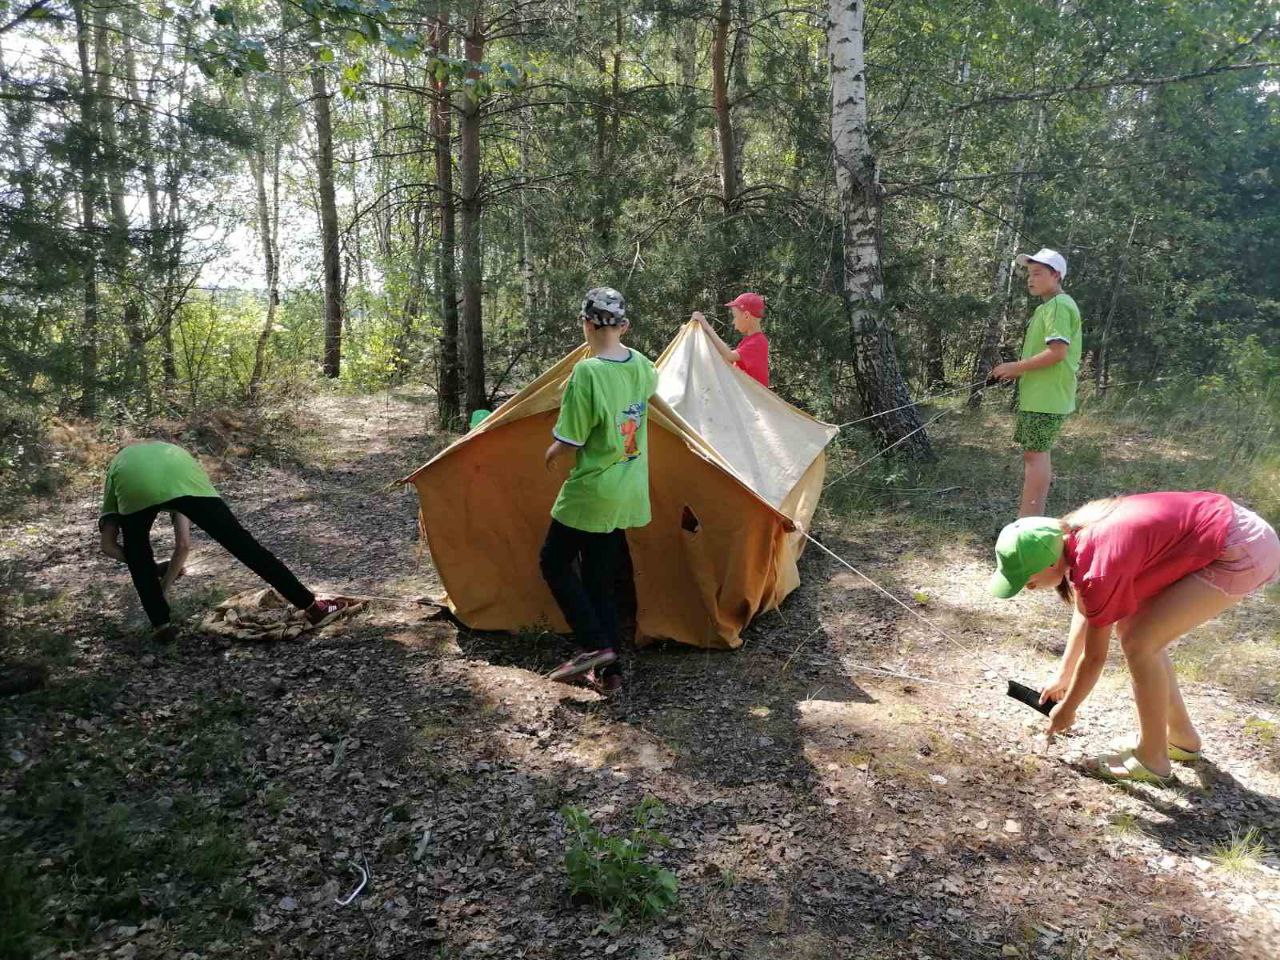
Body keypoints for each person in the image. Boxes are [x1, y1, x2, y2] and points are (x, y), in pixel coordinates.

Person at [989, 492, 1280, 784]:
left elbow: (1094, 659)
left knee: (1141, 643)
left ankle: (1152, 759)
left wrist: (1068, 709)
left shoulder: (1097, 566)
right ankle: (1181, 738)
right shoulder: (1072, 536)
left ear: (1051, 563)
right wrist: (1063, 676)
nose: (1027, 587)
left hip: (1242, 548)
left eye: (1027, 578)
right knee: (1133, 630)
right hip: (1234, 531)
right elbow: (1090, 608)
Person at [99, 441, 350, 642]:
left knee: (138, 551)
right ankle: (312, 607)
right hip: (182, 472)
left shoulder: (117, 468)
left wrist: (153, 572)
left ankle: (161, 625)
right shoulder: (177, 462)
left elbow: (109, 547)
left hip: (134, 483)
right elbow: (183, 545)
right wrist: (163, 577)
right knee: (244, 546)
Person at [540, 287, 658, 696]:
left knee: (553, 561)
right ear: (623, 325)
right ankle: (612, 674)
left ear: (586, 324)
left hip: (592, 491)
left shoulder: (586, 373)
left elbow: (572, 438)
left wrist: (551, 452)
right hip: (628, 489)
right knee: (598, 577)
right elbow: (643, 401)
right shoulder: (642, 365)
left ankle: (592, 647)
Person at [990, 249, 1082, 517]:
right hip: (1042, 394)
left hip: (1048, 395)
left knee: (1035, 455)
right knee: (1035, 454)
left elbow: (1057, 352)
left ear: (1056, 275)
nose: (1031, 279)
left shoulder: (1058, 306)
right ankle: (1031, 517)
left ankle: (1028, 520)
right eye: (1029, 274)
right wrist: (1018, 371)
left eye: (1038, 273)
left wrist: (1014, 367)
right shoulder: (1049, 307)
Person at [690, 291, 770, 388]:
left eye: (735, 316)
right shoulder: (749, 341)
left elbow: (729, 356)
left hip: (753, 400)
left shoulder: (758, 342)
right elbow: (728, 360)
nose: (733, 321)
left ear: (746, 316)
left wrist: (706, 326)